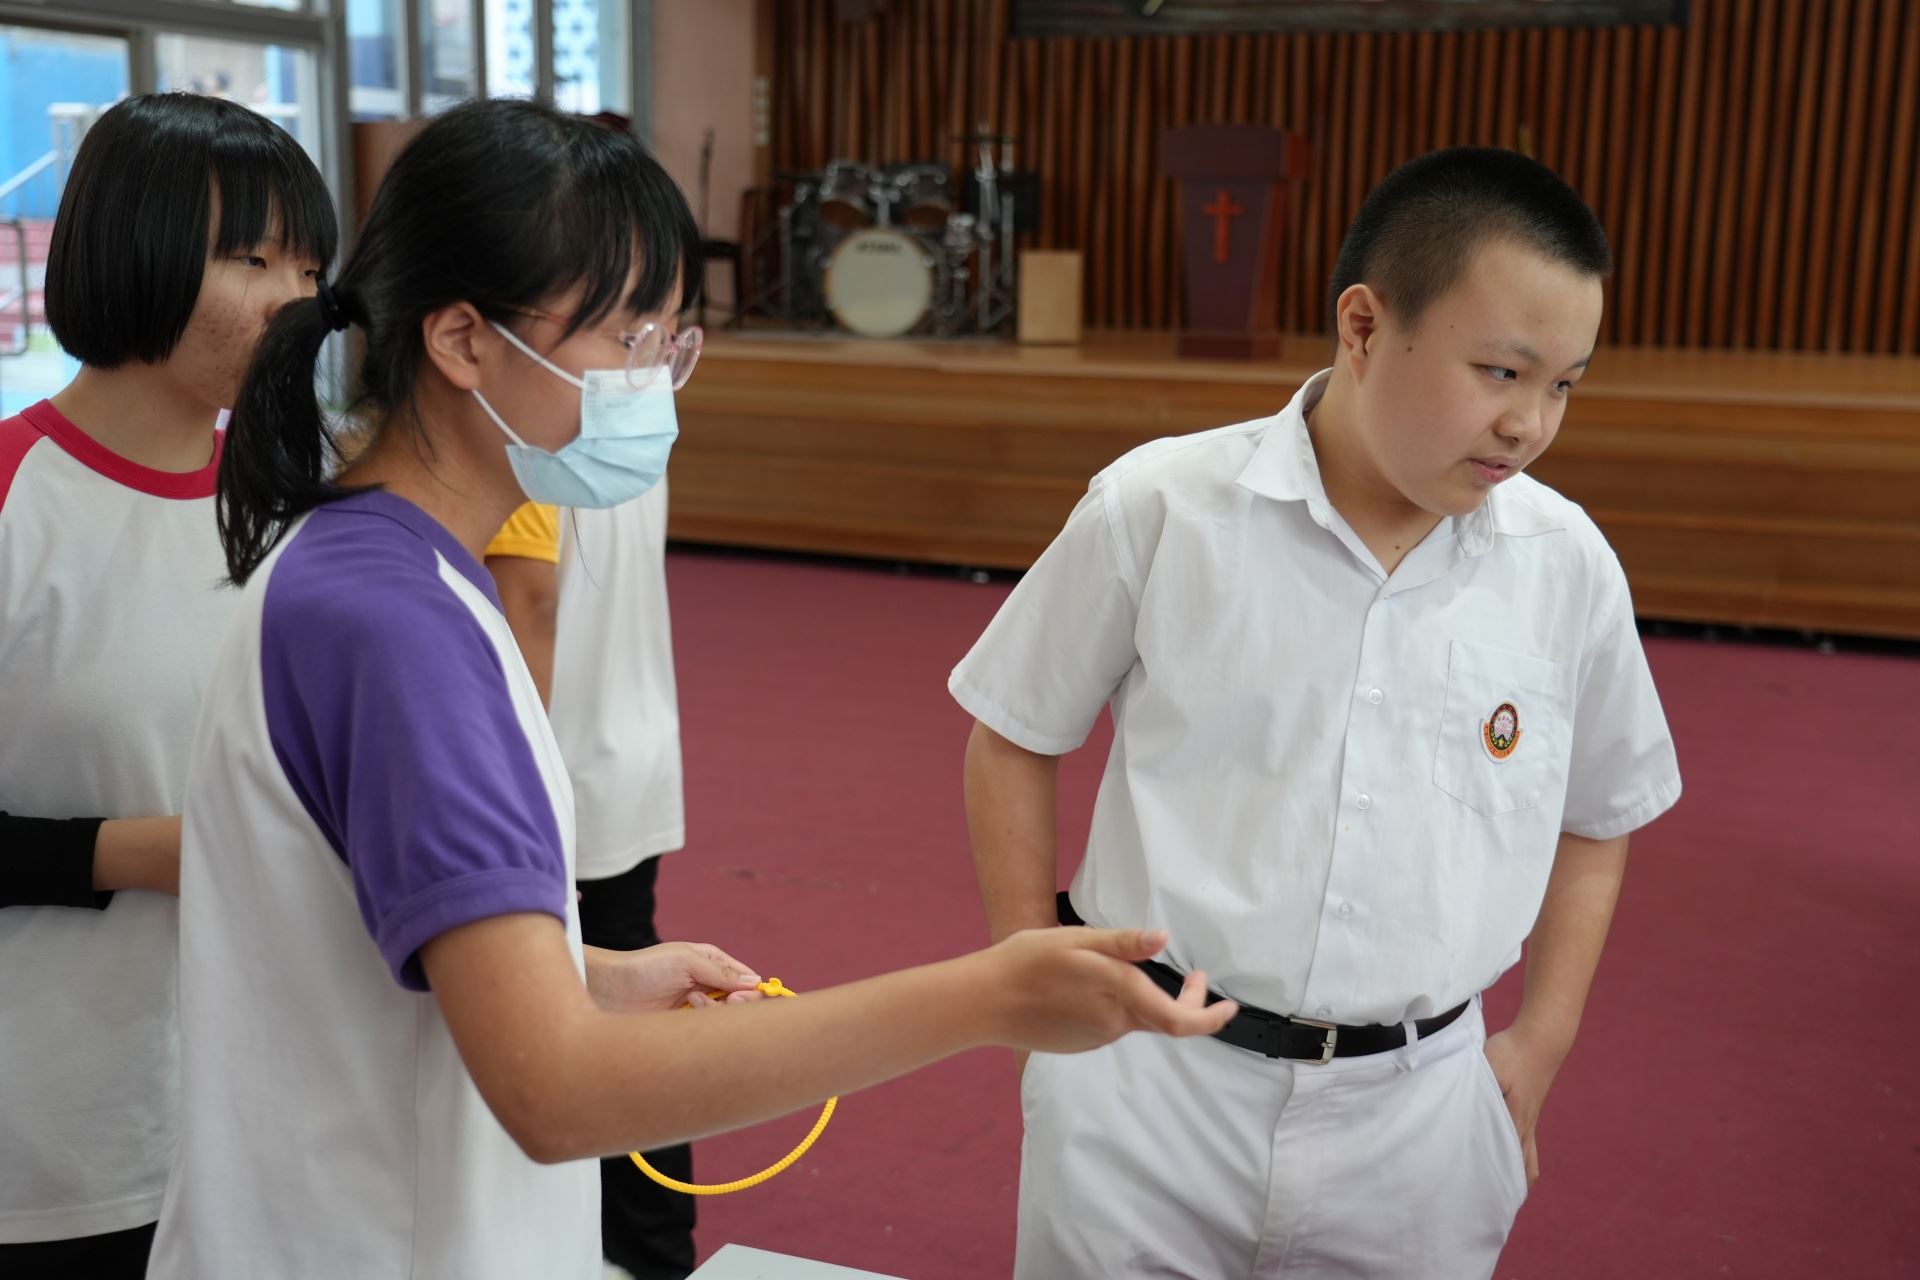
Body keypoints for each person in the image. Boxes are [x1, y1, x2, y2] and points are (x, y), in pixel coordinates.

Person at [147, 98, 1235, 1278]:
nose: (652, 382)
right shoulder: (394, 624)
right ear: (461, 341)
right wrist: (984, 996)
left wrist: (589, 970)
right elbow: (555, 1089)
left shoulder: (380, 571)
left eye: (670, 341)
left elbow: (356, 940)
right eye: (626, 339)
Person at [952, 147, 1683, 1279]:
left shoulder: (1565, 563)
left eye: (1564, 385)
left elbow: (1600, 814)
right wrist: (1026, 984)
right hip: (1147, 1084)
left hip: (1418, 1115)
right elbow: (1013, 730)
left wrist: (1541, 1041)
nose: (1529, 423)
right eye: (1501, 370)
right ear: (1363, 325)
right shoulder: (1164, 506)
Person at [0, 93, 333, 1274]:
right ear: (128, 246)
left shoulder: (300, 503)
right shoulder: (18, 496)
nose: (294, 299)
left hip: (268, 1114)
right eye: (251, 259)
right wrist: (135, 851)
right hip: (54, 1137)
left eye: (309, 267)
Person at [487, 485, 696, 1280]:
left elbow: (527, 598)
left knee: (585, 1014)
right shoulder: (627, 409)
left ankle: (645, 1248)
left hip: (563, 770)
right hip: (623, 747)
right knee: (624, 997)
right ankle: (649, 1247)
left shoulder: (516, 431)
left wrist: (521, 803)